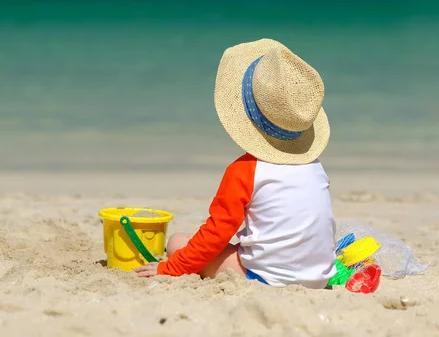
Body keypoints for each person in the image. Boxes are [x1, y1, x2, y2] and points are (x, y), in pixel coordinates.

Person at [135, 38, 336, 288]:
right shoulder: (315, 167)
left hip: (268, 280)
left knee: (177, 242)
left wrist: (170, 268)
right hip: (319, 276)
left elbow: (217, 233)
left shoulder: (245, 170)